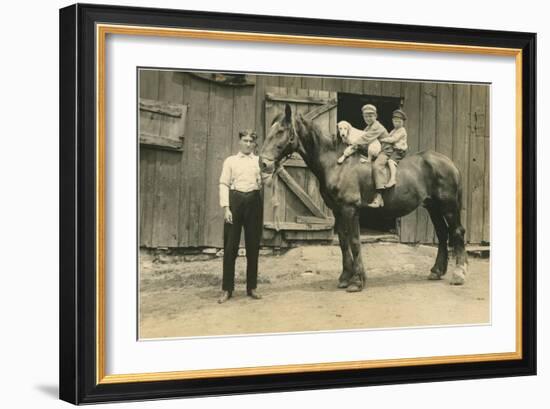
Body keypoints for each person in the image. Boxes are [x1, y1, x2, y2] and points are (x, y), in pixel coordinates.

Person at [218, 130, 263, 304]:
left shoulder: (259, 161)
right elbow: (223, 183)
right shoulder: (231, 161)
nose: (248, 144)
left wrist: (270, 172)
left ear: (254, 143)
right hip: (234, 201)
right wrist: (226, 208)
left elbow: (265, 182)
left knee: (253, 246)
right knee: (230, 247)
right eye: (245, 140)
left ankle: (252, 287)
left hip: (253, 201)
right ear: (239, 142)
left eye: (251, 141)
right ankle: (227, 289)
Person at [357, 104, 390, 208]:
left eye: (371, 116)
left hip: (386, 151)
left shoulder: (377, 127)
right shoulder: (367, 127)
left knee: (376, 166)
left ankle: (379, 197)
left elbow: (365, 138)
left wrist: (353, 144)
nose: (368, 118)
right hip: (376, 151)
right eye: (366, 116)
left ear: (376, 116)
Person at [379, 109, 408, 188]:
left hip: (399, 151)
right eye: (395, 121)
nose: (397, 123)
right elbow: (388, 136)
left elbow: (393, 139)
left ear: (403, 122)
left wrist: (382, 140)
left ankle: (392, 179)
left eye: (399, 121)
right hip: (393, 149)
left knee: (391, 161)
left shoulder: (402, 130)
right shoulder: (393, 130)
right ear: (392, 121)